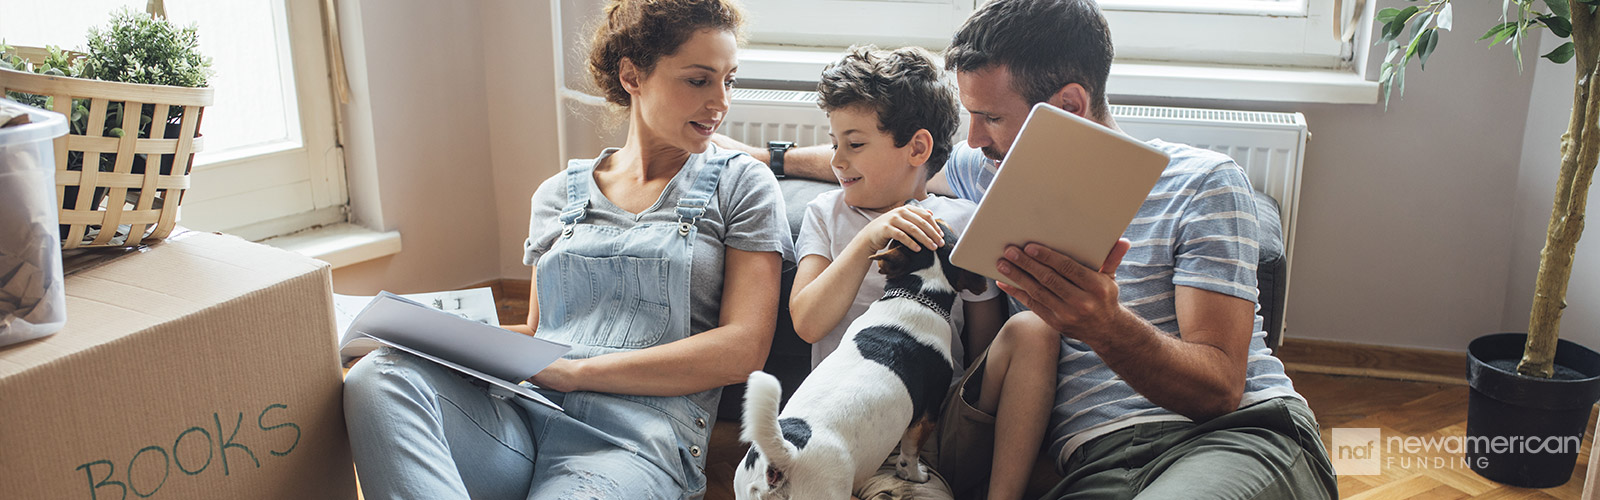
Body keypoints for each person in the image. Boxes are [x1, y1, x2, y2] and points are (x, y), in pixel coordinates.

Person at [716, 0, 1338, 498]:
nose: (973, 137)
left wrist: (1104, 325)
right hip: (1090, 466)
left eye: (990, 117)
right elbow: (879, 159)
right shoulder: (981, 173)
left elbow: (1220, 388)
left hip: (1227, 438)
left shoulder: (1202, 181)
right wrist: (757, 157)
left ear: (1066, 106)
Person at [343, 1, 793, 498]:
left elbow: (742, 348)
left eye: (728, 80)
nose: (720, 102)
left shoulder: (742, 184)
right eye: (698, 80)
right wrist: (431, 338)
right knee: (377, 379)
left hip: (632, 447)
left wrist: (576, 373)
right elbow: (538, 333)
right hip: (521, 422)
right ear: (631, 75)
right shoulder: (558, 192)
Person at [787, 45, 1059, 500]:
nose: (836, 160)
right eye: (835, 143)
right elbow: (808, 322)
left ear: (917, 147)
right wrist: (867, 239)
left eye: (854, 144)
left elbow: (982, 348)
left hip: (929, 429)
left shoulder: (963, 222)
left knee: (1034, 330)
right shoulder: (826, 215)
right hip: (842, 423)